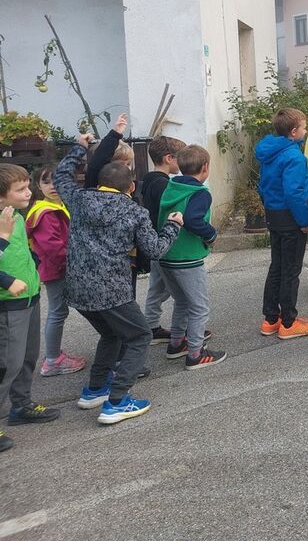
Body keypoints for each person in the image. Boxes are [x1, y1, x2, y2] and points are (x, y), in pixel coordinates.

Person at [54, 136, 183, 425]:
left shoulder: (78, 200)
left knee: (111, 334)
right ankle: (117, 400)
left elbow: (61, 174)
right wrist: (173, 225)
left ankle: (96, 388)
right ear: (131, 187)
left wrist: (80, 147)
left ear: (99, 182)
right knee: (140, 336)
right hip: (112, 290)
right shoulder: (135, 212)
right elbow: (155, 249)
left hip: (77, 289)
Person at [0, 165, 60, 450]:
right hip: (8, 304)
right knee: (6, 365)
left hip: (29, 298)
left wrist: (33, 266)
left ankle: (21, 405)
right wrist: (8, 281)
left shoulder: (16, 215)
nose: (28, 193)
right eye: (20, 189)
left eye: (27, 187)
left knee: (27, 356)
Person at [157, 145, 226, 370]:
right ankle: (195, 354)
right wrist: (211, 234)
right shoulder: (200, 193)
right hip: (187, 258)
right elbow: (194, 220)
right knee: (199, 307)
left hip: (166, 254)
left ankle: (177, 343)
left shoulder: (171, 187)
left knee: (182, 301)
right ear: (205, 167)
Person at [255, 108, 308, 339]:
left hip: (274, 215)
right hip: (291, 219)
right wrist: (305, 220)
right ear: (294, 132)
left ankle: (271, 319)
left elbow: (263, 186)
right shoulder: (294, 157)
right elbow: (294, 193)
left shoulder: (269, 152)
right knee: (291, 271)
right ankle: (289, 323)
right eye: (304, 127)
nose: (305, 131)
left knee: (277, 267)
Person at [25, 165, 86, 376]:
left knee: (59, 311)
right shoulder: (45, 213)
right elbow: (53, 247)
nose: (52, 186)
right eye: (46, 182)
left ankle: (54, 356)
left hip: (59, 267)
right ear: (38, 186)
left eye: (57, 181)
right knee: (57, 311)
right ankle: (52, 359)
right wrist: (73, 264)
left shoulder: (57, 206)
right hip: (57, 269)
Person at [137, 135, 190, 344]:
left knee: (158, 288)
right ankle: (186, 331)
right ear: (169, 158)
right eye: (181, 158)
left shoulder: (150, 180)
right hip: (164, 243)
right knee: (182, 292)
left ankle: (151, 327)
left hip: (155, 242)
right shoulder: (163, 185)